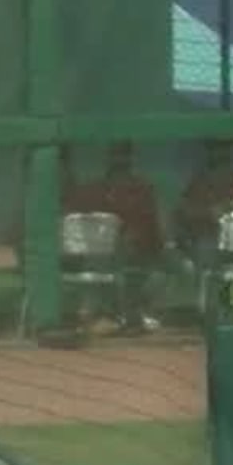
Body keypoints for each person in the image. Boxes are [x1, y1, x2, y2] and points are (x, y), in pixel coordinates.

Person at [80, 142, 165, 331]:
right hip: (102, 253)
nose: (120, 160)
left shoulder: (143, 189)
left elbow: (153, 229)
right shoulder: (96, 190)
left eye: (124, 156)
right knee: (103, 259)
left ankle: (139, 314)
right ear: (109, 159)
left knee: (166, 265)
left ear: (131, 159)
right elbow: (87, 227)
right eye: (116, 156)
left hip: (139, 252)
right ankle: (104, 314)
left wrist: (151, 244)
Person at [173, 138, 233, 263]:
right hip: (208, 242)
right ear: (208, 151)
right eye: (215, 147)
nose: (221, 152)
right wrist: (209, 213)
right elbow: (182, 213)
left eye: (226, 147)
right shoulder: (198, 181)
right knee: (205, 250)